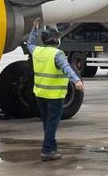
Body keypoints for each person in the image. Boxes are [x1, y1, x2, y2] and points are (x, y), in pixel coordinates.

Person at [26, 21, 83, 161]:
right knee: (52, 123)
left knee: (47, 123)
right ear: (54, 39)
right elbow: (67, 68)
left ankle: (52, 147)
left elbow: (30, 43)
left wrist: (34, 29)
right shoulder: (57, 54)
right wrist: (76, 80)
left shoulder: (37, 51)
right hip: (54, 96)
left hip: (40, 94)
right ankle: (47, 151)